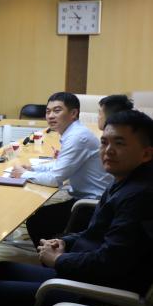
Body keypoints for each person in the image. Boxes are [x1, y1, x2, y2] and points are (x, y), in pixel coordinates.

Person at [0, 110, 153, 306]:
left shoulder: (140, 196)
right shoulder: (125, 181)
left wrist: (59, 260)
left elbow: (110, 263)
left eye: (119, 143)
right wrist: (65, 242)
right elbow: (95, 233)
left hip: (99, 301)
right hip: (90, 281)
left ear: (146, 154)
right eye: (104, 142)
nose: (108, 150)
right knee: (0, 269)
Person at [11, 92, 113, 245]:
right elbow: (61, 164)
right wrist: (33, 169)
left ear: (73, 113)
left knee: (37, 222)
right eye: (48, 111)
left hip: (93, 205)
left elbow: (55, 179)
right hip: (89, 198)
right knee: (41, 215)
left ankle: (56, 257)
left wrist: (24, 174)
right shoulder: (74, 132)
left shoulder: (77, 137)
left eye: (57, 111)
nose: (50, 116)